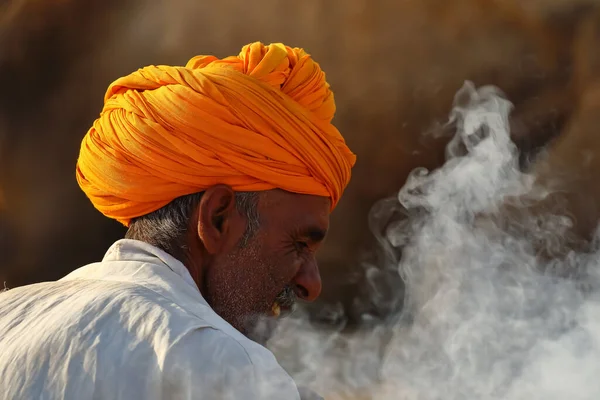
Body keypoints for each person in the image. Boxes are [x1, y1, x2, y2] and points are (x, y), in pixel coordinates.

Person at [0, 42, 355, 399]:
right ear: (217, 219)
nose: (312, 285)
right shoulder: (220, 363)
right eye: (299, 244)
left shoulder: (9, 316)